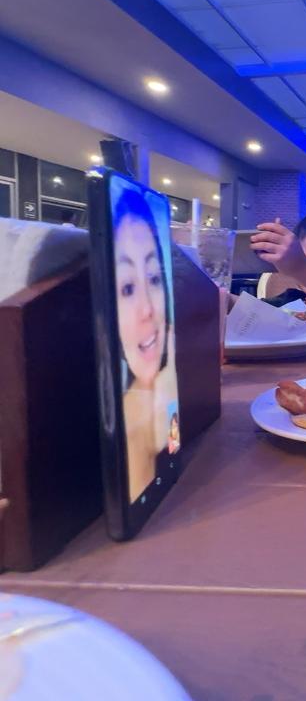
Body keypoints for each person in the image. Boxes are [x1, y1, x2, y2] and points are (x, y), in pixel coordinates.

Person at [113, 184, 179, 501]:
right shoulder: (122, 430)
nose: (148, 310)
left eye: (153, 278)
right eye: (127, 288)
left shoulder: (167, 399)